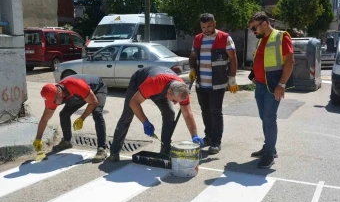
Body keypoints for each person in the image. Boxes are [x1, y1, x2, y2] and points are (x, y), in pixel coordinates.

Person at [108, 66, 204, 162]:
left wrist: (194, 135)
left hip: (162, 88)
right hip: (140, 82)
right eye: (174, 100)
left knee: (169, 113)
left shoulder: (182, 90)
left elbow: (187, 114)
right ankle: (114, 151)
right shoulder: (154, 82)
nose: (175, 103)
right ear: (170, 92)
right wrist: (145, 122)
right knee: (127, 115)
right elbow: (134, 103)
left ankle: (165, 150)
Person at [248, 12, 294, 169]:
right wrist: (253, 75)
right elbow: (260, 59)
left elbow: (290, 61)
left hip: (273, 87)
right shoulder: (261, 40)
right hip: (260, 85)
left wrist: (282, 84)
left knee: (269, 119)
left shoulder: (281, 37)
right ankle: (269, 147)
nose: (253, 32)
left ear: (264, 24)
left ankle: (269, 154)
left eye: (254, 28)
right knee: (264, 118)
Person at [189, 13, 239, 154]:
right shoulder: (198, 39)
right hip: (201, 84)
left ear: (215, 24)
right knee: (205, 112)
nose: (206, 29)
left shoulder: (224, 38)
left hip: (217, 84)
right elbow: (192, 56)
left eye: (209, 26)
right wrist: (192, 68)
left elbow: (233, 58)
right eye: (203, 27)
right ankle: (209, 137)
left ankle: (216, 142)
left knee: (215, 112)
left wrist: (232, 78)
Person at [32, 74, 108, 163]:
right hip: (80, 95)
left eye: (53, 101)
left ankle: (102, 148)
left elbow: (93, 102)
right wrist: (38, 139)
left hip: (97, 88)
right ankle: (66, 141)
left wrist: (82, 118)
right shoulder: (53, 95)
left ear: (59, 93)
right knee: (64, 114)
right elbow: (44, 119)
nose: (53, 104)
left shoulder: (75, 85)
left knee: (96, 113)